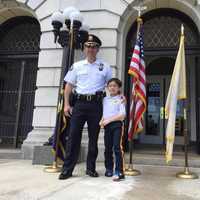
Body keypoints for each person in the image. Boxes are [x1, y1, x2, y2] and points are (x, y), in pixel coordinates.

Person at [59, 34, 112, 180]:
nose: (91, 49)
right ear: (84, 49)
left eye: (94, 46)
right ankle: (67, 169)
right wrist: (67, 105)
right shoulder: (76, 66)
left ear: (98, 49)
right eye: (88, 46)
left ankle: (90, 168)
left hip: (96, 105)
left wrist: (116, 101)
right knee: (73, 137)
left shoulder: (105, 66)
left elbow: (111, 86)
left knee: (93, 139)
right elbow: (68, 86)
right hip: (79, 105)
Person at [99, 78, 126, 181]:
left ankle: (119, 171)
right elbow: (105, 113)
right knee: (107, 148)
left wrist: (109, 120)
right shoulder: (105, 99)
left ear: (119, 87)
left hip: (117, 126)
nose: (112, 88)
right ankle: (109, 169)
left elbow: (122, 115)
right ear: (107, 88)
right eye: (110, 86)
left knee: (117, 148)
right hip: (107, 126)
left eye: (114, 86)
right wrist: (102, 120)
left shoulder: (121, 99)